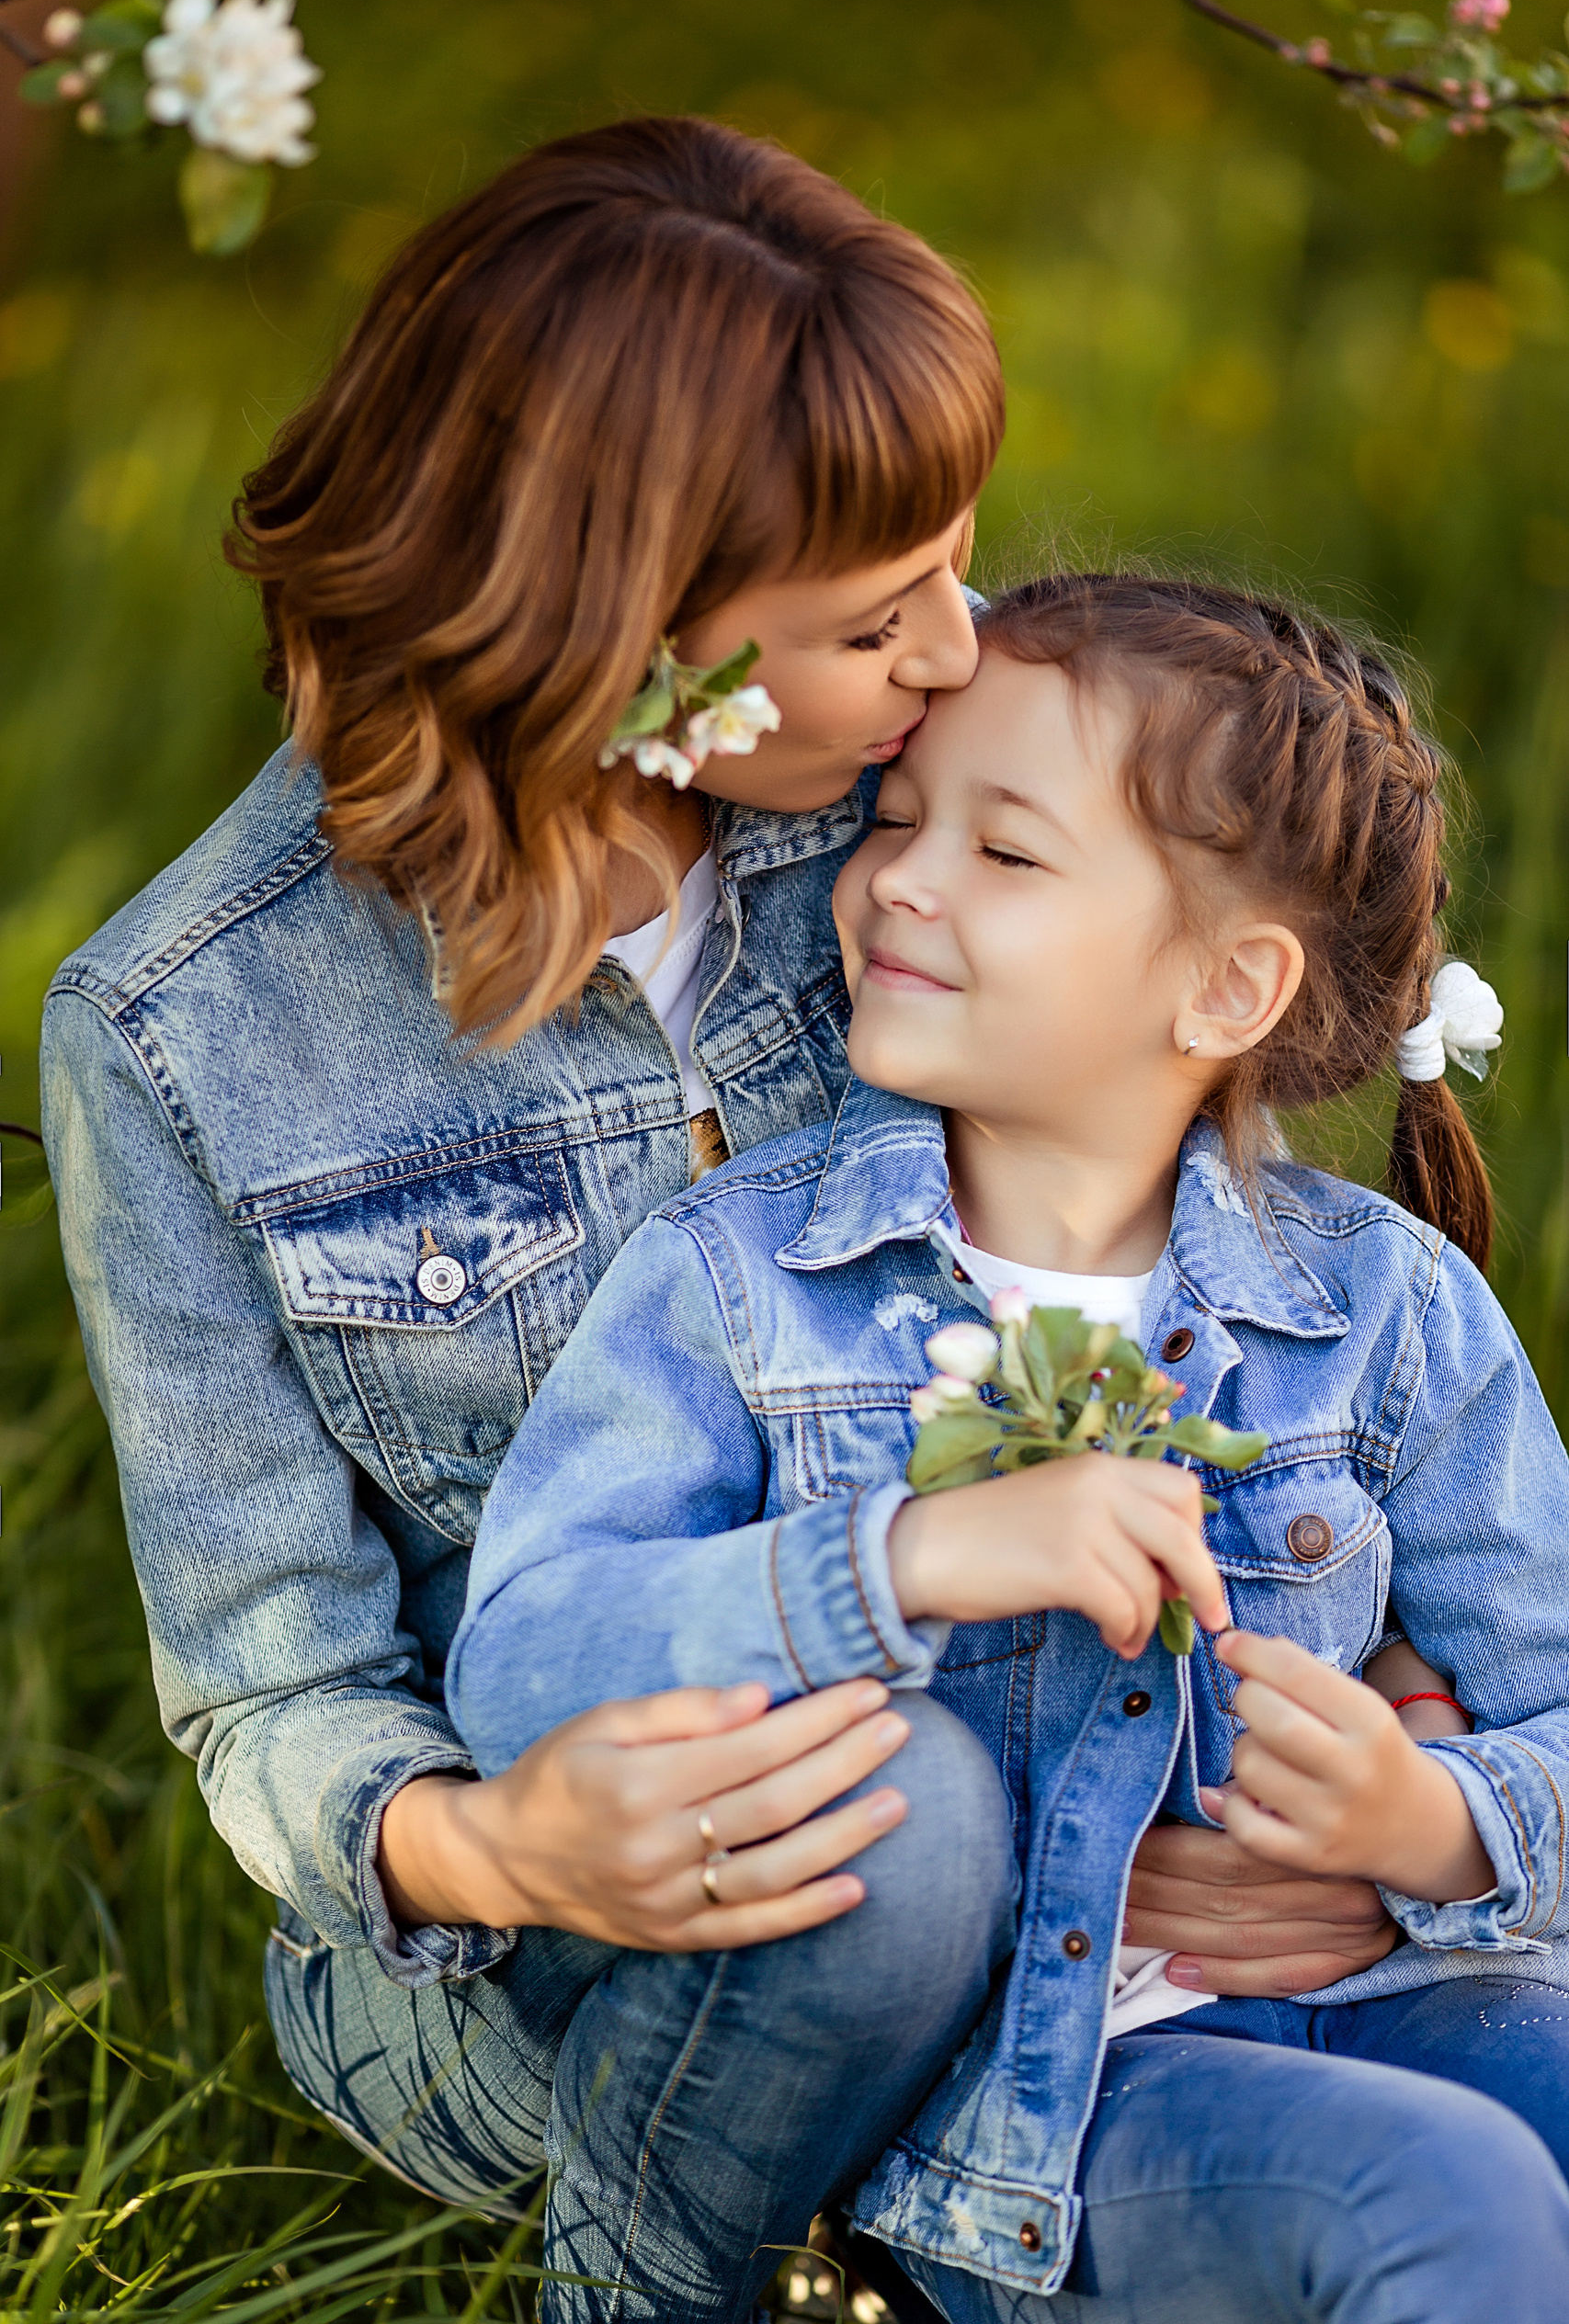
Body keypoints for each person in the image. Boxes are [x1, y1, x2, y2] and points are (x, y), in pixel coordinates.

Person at [43, 113, 1027, 2311]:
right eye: (882, 621)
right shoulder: (187, 1032)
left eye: (955, 567)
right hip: (539, 1913)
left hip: (1037, 1723)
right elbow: (266, 1678)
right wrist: (490, 1843)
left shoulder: (949, 803)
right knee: (906, 1831)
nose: (966, 651)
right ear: (624, 653)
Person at [450, 573, 1569, 2321]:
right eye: (897, 819)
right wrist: (901, 1559)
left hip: (1413, 1995)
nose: (899, 874)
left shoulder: (1389, 1315)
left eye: (1008, 852)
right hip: (1066, 2104)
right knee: (1453, 2197)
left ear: (1224, 989)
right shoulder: (748, 1282)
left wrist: (1432, 1821)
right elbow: (520, 1664)